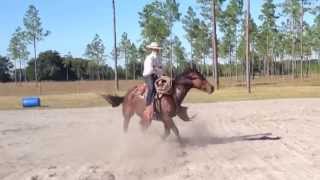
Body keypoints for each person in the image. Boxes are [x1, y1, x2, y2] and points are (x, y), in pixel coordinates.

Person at [142, 42, 163, 124]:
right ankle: (147, 106)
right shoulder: (149, 58)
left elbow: (162, 69)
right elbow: (150, 69)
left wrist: (158, 71)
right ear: (152, 49)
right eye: (155, 49)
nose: (157, 50)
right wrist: (157, 68)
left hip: (156, 75)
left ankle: (158, 108)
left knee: (164, 87)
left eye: (157, 49)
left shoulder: (158, 58)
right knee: (152, 88)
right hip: (148, 76)